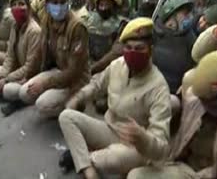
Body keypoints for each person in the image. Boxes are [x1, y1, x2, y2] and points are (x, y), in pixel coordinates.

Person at [59, 18, 171, 178]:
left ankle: (83, 159)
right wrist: (78, 98)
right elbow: (97, 84)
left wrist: (143, 137)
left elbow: (162, 149)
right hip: (109, 129)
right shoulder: (118, 65)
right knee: (66, 117)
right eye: (128, 47)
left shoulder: (158, 86)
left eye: (139, 48)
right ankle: (89, 170)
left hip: (134, 147)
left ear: (151, 50)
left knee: (110, 158)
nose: (133, 53)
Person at [127, 50, 217, 179]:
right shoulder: (195, 103)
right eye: (202, 100)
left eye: (208, 101)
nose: (203, 104)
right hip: (183, 166)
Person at [12, 0, 90, 118]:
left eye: (62, 2)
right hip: (57, 71)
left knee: (43, 105)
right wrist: (28, 75)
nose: (59, 6)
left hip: (75, 80)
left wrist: (45, 85)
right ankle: (61, 101)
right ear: (47, 5)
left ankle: (77, 103)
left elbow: (74, 71)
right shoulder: (47, 20)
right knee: (24, 92)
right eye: (55, 3)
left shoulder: (77, 27)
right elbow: (39, 53)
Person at [0, 0, 42, 116]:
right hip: (18, 70)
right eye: (14, 5)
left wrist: (6, 79)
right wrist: (2, 76)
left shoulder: (34, 30)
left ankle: (15, 98)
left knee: (8, 89)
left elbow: (30, 67)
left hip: (31, 75)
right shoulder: (15, 27)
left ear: (28, 7)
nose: (18, 8)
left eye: (21, 4)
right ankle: (4, 93)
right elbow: (10, 56)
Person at [153, 0, 197, 110]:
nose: (189, 17)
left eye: (189, 14)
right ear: (171, 17)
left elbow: (198, 63)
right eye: (185, 14)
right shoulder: (153, 33)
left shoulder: (190, 37)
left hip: (175, 94)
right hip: (151, 89)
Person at [87, 0, 124, 75]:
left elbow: (116, 52)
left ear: (114, 6)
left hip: (110, 69)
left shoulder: (121, 24)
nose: (103, 8)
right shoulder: (89, 20)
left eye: (107, 5)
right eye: (101, 5)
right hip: (87, 65)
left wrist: (94, 67)